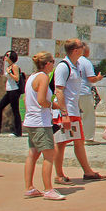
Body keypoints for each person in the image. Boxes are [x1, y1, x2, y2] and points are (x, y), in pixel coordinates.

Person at [53, 39, 105, 184]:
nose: (84, 48)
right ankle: (59, 174)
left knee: (79, 141)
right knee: (61, 143)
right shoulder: (63, 67)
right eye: (81, 46)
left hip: (74, 110)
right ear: (75, 50)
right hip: (66, 112)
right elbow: (59, 90)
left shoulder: (77, 65)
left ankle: (88, 171)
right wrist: (64, 114)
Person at [22, 52, 64, 200]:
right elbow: (41, 100)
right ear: (47, 64)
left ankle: (29, 187)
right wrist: (53, 105)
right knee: (49, 155)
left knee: (33, 153)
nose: (53, 64)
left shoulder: (31, 77)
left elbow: (28, 99)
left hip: (31, 120)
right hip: (41, 121)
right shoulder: (43, 77)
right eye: (52, 61)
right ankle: (48, 189)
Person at [0, 50, 22, 137]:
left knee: (15, 111)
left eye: (7, 55)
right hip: (9, 91)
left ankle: (18, 131)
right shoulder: (9, 66)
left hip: (14, 91)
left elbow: (17, 78)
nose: (5, 56)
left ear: (11, 57)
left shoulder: (14, 66)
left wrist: (9, 73)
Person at [77, 43, 103, 143]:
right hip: (84, 92)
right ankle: (88, 138)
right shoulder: (86, 62)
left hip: (73, 92)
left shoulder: (72, 61)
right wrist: (99, 78)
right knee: (88, 115)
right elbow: (91, 78)